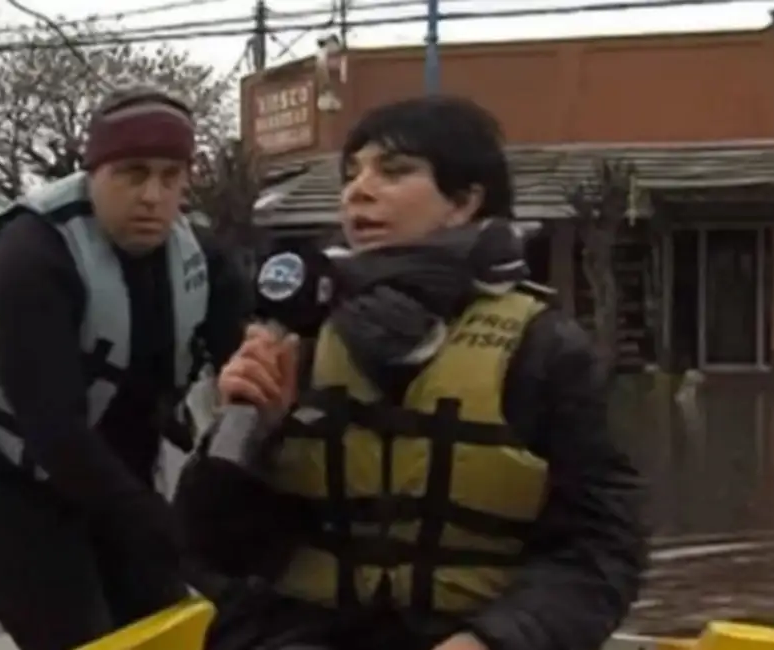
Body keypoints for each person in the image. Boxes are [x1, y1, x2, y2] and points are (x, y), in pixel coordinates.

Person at [174, 95, 649, 650]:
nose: (358, 191)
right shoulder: (294, 333)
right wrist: (242, 448)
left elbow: (602, 547)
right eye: (351, 175)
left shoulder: (543, 348)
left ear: (464, 201)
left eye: (394, 171)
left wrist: (496, 640)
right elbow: (213, 551)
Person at [0, 87, 251, 650]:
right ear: (93, 172)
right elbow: (56, 433)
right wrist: (174, 538)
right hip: (3, 473)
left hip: (120, 462)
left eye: (170, 177)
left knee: (193, 622)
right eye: (132, 173)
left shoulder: (205, 262)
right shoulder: (30, 258)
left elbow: (242, 386)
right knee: (79, 633)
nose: (152, 196)